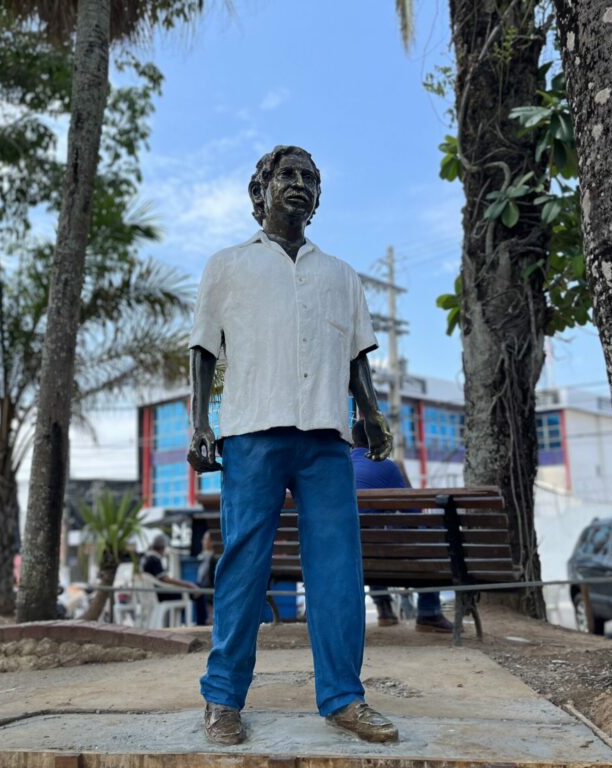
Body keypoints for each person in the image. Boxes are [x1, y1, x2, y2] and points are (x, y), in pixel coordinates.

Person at [188, 146, 398, 746]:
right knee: (244, 565)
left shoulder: (341, 274)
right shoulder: (227, 265)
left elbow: (356, 356)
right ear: (262, 190)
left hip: (327, 438)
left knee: (337, 568)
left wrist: (374, 413)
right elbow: (203, 349)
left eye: (311, 178)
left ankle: (344, 698)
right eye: (288, 175)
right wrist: (199, 423)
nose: (300, 185)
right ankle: (223, 697)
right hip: (252, 430)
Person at [351, 420, 455, 634]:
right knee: (429, 538)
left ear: (354, 441)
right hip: (375, 550)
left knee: (367, 538)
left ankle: (384, 609)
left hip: (342, 550)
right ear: (379, 439)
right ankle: (429, 613)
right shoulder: (387, 466)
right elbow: (414, 516)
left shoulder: (338, 465)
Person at [140, 533, 198, 604]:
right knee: (197, 591)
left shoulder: (147, 557)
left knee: (193, 590)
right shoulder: (154, 559)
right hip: (162, 594)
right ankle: (202, 615)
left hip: (156, 593)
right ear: (163, 547)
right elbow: (165, 579)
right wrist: (188, 584)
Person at [195, 530, 218, 626]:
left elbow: (211, 580)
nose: (202, 541)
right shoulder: (204, 557)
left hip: (210, 594)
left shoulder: (213, 558)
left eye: (205, 539)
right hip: (204, 592)